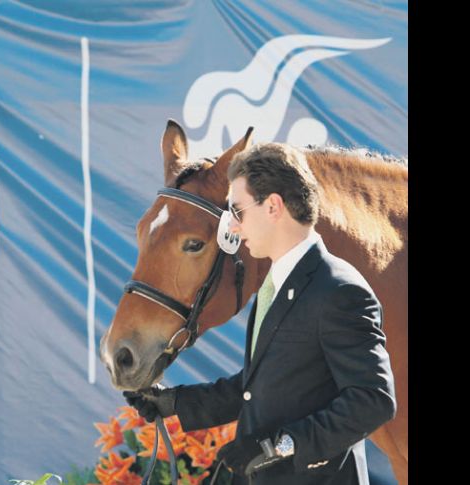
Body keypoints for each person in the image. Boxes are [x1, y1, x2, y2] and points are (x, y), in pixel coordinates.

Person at [124, 143, 396, 484]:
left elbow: (373, 400)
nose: (234, 228)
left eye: (238, 211)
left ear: (273, 207)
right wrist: (176, 402)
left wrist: (280, 447)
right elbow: (261, 387)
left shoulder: (341, 290)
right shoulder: (277, 284)